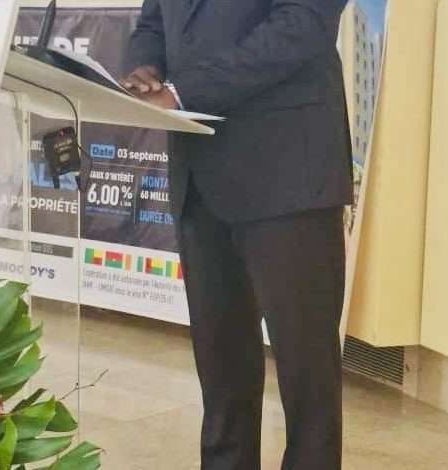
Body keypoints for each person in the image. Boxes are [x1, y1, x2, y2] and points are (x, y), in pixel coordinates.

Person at [122, 0, 353, 468]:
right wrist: (143, 67)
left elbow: (303, 24)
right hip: (199, 174)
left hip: (288, 170)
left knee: (307, 381)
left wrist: (184, 91)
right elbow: (154, 21)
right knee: (222, 375)